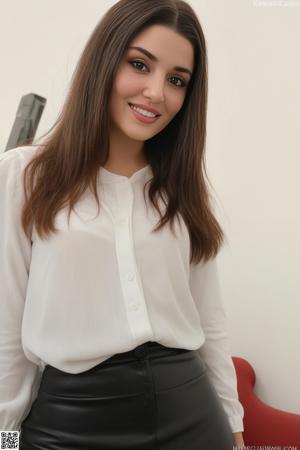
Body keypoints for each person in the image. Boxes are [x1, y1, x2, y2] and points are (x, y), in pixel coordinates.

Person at [0, 0, 245, 448]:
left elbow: (210, 324)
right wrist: (4, 442)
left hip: (191, 416)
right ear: (104, 61)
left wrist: (235, 431)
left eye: (176, 80)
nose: (156, 92)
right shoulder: (23, 177)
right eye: (139, 65)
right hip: (69, 424)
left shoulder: (184, 192)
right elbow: (5, 334)